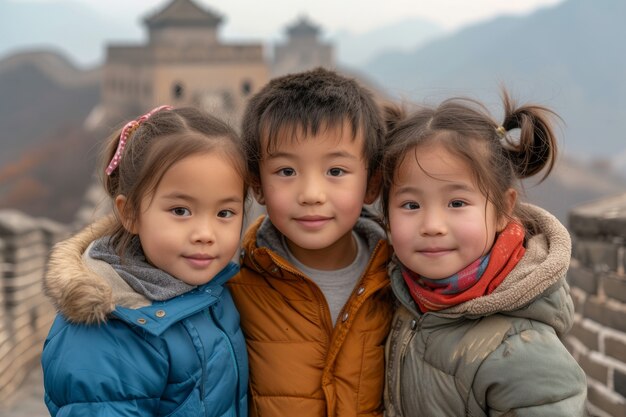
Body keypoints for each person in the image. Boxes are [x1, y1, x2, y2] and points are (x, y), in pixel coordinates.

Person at [380, 91, 588, 416]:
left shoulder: (521, 351)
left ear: (503, 209)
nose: (432, 225)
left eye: (457, 203)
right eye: (411, 205)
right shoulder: (397, 295)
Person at [41, 106, 249, 416]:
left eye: (224, 213)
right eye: (180, 211)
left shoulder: (214, 291)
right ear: (130, 213)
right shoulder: (110, 329)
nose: (205, 234)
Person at [228, 67, 393, 417]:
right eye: (286, 171)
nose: (311, 195)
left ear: (372, 182)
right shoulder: (234, 282)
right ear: (256, 183)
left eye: (336, 171)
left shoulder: (398, 280)